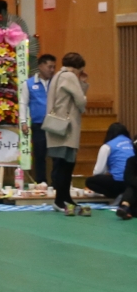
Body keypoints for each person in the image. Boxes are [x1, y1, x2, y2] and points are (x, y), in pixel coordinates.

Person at [45, 53, 89, 215]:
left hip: (56, 126)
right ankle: (59, 200)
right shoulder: (70, 76)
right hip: (67, 128)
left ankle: (65, 198)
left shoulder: (58, 75)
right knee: (66, 166)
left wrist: (81, 82)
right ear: (77, 67)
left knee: (62, 165)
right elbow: (81, 101)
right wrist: (82, 83)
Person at [27, 54, 58, 185]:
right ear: (40, 66)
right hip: (38, 123)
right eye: (49, 67)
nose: (52, 70)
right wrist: (24, 122)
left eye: (54, 67)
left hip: (56, 123)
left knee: (57, 155)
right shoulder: (29, 83)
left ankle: (57, 183)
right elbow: (24, 103)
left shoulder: (57, 82)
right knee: (40, 155)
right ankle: (41, 182)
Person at [86, 122, 134, 205]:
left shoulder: (108, 146)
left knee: (90, 181)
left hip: (119, 182)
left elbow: (98, 172)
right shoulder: (133, 143)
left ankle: (117, 195)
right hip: (133, 182)